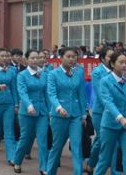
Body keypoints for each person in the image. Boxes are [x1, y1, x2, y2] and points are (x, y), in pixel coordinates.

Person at [93, 52, 126, 175]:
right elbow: (108, 102)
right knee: (105, 158)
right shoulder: (105, 81)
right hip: (109, 125)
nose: (124, 65)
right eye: (121, 62)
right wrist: (120, 118)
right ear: (112, 64)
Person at [47, 47, 88, 175]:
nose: (71, 59)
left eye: (74, 56)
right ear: (61, 57)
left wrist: (84, 115)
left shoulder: (78, 73)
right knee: (57, 147)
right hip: (59, 116)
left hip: (75, 115)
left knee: (77, 146)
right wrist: (59, 108)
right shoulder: (53, 74)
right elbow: (52, 94)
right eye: (68, 56)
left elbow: (81, 95)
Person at [13, 49, 50, 174]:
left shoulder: (44, 75)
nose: (36, 60)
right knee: (25, 138)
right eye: (33, 58)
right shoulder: (22, 75)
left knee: (42, 139)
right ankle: (17, 161)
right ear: (27, 60)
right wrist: (29, 105)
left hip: (42, 112)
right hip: (27, 112)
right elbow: (22, 92)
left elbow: (47, 95)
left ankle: (43, 167)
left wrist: (50, 111)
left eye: (38, 58)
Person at [86, 47, 116, 175]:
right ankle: (92, 163)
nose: (112, 58)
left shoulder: (117, 71)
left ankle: (111, 167)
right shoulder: (97, 72)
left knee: (112, 141)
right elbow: (101, 93)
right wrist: (113, 110)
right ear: (103, 58)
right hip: (101, 111)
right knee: (101, 138)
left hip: (116, 112)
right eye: (109, 56)